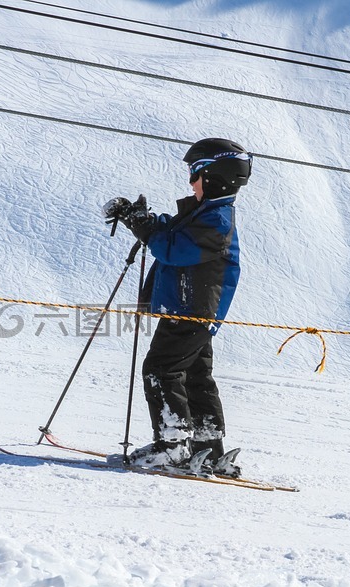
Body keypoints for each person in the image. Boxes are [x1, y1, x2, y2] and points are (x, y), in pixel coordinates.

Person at [102, 138, 252, 475]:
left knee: (160, 370)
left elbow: (175, 250)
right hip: (193, 311)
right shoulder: (208, 214)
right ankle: (207, 447)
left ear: (216, 176)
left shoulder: (217, 222)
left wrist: (147, 231)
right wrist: (142, 220)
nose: (190, 181)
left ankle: (172, 446)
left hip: (190, 311)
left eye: (195, 174)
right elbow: (171, 231)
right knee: (196, 378)